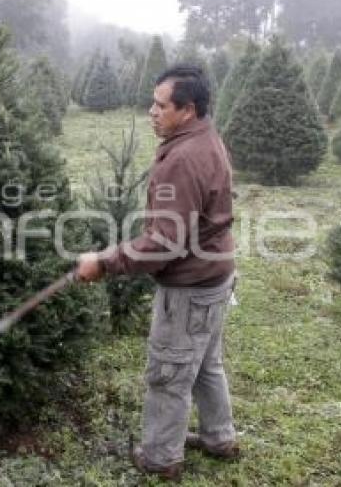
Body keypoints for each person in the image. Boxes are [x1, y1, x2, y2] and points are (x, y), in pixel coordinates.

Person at [77, 65, 239, 481]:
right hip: (216, 276)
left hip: (191, 288)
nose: (151, 111)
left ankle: (161, 457)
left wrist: (105, 261)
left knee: (169, 373)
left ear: (187, 109)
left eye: (160, 105)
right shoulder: (205, 135)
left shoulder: (183, 158)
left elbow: (165, 243)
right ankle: (220, 437)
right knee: (206, 364)